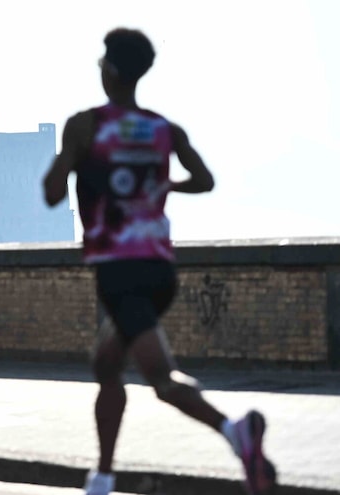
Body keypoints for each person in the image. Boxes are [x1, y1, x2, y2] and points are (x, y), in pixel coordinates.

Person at [41, 28, 276, 495]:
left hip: (119, 270)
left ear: (110, 71)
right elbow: (205, 180)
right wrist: (166, 186)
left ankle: (235, 433)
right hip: (159, 268)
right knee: (106, 365)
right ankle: (102, 477)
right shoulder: (164, 129)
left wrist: (71, 161)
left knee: (161, 380)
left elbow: (50, 194)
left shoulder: (85, 126)